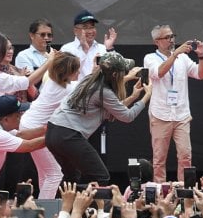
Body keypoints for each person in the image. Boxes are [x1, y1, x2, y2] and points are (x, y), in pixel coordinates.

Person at [45, 52, 152, 184]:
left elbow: (115, 110)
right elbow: (127, 116)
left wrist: (133, 96)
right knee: (101, 177)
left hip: (53, 131)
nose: (124, 74)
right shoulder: (104, 92)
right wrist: (146, 96)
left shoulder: (90, 79)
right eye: (123, 72)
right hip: (68, 135)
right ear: (114, 75)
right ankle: (92, 204)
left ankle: (66, 204)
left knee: (71, 178)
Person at [144, 25, 203, 182]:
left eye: (173, 36)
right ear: (156, 41)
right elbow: (159, 72)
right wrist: (175, 54)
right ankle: (160, 194)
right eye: (167, 37)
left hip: (181, 115)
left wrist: (201, 56)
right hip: (160, 115)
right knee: (159, 159)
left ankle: (184, 193)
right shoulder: (150, 58)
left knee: (186, 156)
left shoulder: (183, 59)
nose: (172, 40)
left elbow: (201, 75)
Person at [19, 52, 80, 198]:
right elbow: (86, 86)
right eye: (77, 69)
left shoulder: (52, 81)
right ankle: (44, 213)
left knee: (46, 173)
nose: (79, 71)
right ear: (68, 71)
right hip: (35, 128)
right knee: (55, 174)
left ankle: (42, 209)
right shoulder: (66, 89)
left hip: (29, 124)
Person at [0, 29, 52, 118]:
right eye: (6, 48)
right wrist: (50, 60)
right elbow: (28, 82)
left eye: (11, 48)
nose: (10, 51)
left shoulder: (13, 70)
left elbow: (32, 91)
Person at [0, 95, 45, 184]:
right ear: (6, 119)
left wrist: (48, 128)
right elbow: (29, 146)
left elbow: (20, 135)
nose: (20, 118)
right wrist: (57, 135)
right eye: (17, 116)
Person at [60, 10, 117, 80]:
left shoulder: (102, 48)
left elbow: (115, 72)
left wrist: (109, 49)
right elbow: (66, 77)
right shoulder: (67, 49)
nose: (90, 31)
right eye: (85, 27)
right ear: (75, 31)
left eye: (92, 27)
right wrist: (84, 49)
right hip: (75, 90)